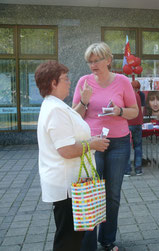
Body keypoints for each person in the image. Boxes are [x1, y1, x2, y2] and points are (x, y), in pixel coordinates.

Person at [35, 61, 109, 251]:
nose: (69, 82)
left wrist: (84, 101)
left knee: (70, 236)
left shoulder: (56, 106)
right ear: (53, 83)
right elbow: (66, 150)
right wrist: (92, 144)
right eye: (65, 79)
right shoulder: (55, 109)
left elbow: (71, 121)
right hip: (66, 186)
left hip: (67, 184)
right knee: (68, 240)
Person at [72, 42, 138, 251]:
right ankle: (88, 245)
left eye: (96, 60)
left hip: (118, 143)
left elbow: (134, 112)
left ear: (108, 60)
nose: (92, 65)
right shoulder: (84, 82)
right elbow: (74, 116)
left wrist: (119, 111)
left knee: (113, 195)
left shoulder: (122, 81)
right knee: (92, 192)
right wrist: (84, 101)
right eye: (89, 61)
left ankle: (107, 240)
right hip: (92, 143)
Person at [124, 80, 144, 176]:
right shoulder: (138, 96)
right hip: (138, 123)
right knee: (138, 146)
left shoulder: (128, 96)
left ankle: (127, 170)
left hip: (128, 123)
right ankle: (138, 169)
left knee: (127, 147)